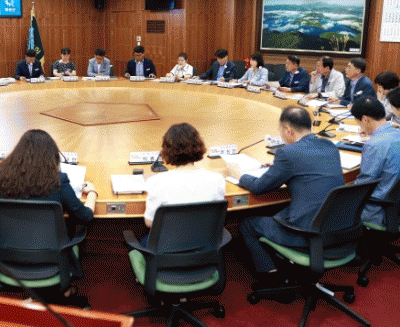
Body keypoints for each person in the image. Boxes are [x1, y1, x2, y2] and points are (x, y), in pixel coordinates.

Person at [232, 106, 344, 278]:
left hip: (308, 233)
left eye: (280, 131)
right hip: (339, 226)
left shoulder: (287, 153)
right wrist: (279, 168)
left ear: (288, 130)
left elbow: (259, 187)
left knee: (247, 225)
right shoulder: (329, 145)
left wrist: (239, 175)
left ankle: (270, 274)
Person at [0, 129, 96, 225]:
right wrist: (92, 192)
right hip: (49, 240)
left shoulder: (3, 175)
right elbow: (85, 217)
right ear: (52, 156)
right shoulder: (59, 181)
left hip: (9, 237)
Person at [144, 123, 226, 229]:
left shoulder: (156, 182)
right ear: (198, 146)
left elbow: (150, 222)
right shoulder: (217, 179)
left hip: (170, 239)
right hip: (205, 238)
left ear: (166, 150)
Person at [350, 97, 400, 226]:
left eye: (358, 122)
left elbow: (363, 186)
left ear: (365, 119)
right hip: (394, 206)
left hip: (377, 211)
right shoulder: (397, 134)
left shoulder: (374, 145)